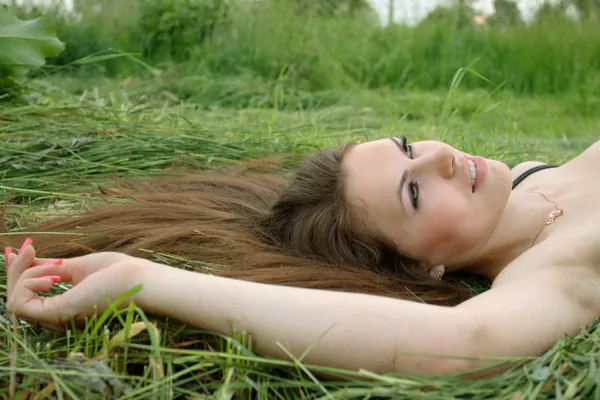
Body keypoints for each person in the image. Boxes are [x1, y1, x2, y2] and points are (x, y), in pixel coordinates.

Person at [3, 136, 600, 379]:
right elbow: (464, 341)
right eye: (414, 194)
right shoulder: (553, 271)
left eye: (408, 147)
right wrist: (142, 279)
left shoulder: (527, 178)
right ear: (421, 267)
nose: (441, 156)